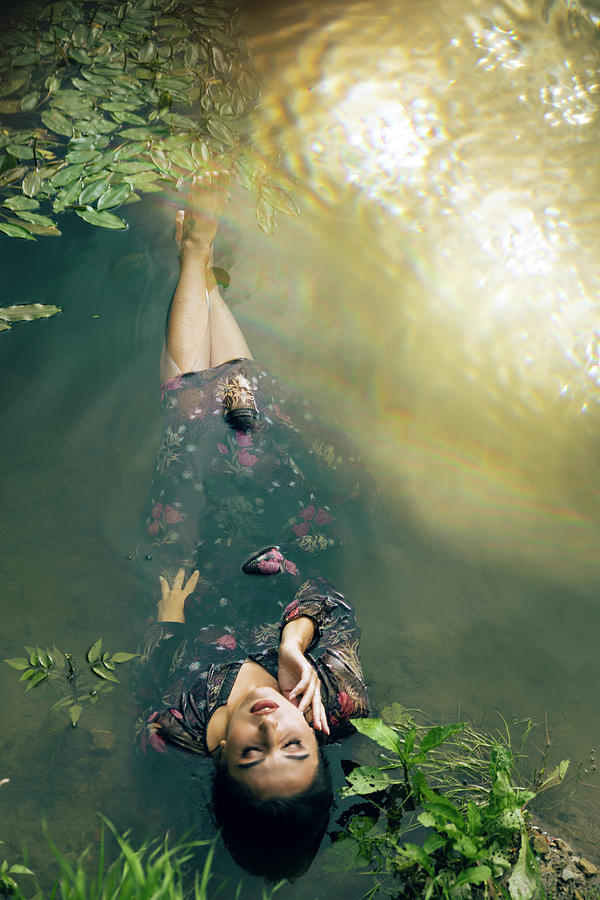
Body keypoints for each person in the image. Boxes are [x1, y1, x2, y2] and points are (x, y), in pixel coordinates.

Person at [132, 172, 374, 879]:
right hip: (283, 543)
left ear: (219, 767)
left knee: (187, 408)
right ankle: (202, 275)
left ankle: (194, 257)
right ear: (317, 750)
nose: (272, 724)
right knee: (246, 401)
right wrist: (298, 640)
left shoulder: (176, 728)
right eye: (294, 749)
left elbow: (153, 670)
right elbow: (334, 600)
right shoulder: (340, 702)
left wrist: (169, 617)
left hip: (197, 553)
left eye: (251, 752)